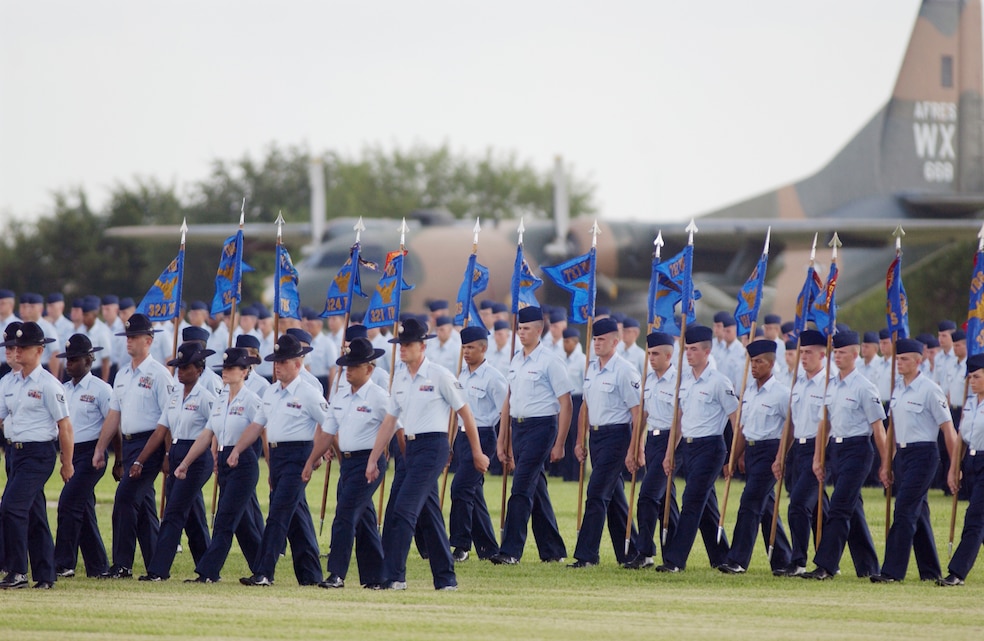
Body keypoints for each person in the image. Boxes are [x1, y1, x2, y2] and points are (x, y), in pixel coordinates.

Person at [365, 318, 490, 590]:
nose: (402, 349)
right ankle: (446, 579)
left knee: (403, 509)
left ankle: (393, 576)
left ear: (422, 346)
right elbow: (390, 420)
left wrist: (478, 452)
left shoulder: (440, 375)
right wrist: (374, 457)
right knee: (429, 516)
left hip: (434, 446)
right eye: (400, 345)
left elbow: (465, 413)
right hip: (409, 448)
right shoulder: (398, 378)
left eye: (407, 344)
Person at [228, 334, 325, 586]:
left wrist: (318, 454)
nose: (277, 366)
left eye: (282, 361)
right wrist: (238, 449)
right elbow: (257, 425)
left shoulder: (309, 392)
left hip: (299, 455)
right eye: (275, 361)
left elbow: (328, 424)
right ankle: (311, 575)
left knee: (278, 513)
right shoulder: (271, 392)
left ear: (297, 363)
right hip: (278, 456)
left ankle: (263, 572)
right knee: (295, 517)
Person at [870, 338, 958, 583]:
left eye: (905, 359)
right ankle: (930, 572)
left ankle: (891, 572)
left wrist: (954, 466)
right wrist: (887, 463)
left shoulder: (930, 389)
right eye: (898, 359)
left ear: (918, 361)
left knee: (905, 509)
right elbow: (893, 428)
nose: (899, 363)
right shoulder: (898, 389)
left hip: (925, 454)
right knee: (919, 513)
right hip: (903, 454)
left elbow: (948, 430)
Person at [302, 337, 387, 589]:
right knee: (364, 519)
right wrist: (311, 460)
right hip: (347, 463)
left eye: (354, 366)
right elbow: (328, 433)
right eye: (346, 366)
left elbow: (396, 428)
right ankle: (376, 576)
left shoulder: (380, 397)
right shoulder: (339, 396)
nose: (348, 370)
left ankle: (336, 573)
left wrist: (404, 456)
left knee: (345, 515)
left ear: (369, 369)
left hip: (369, 462)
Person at [92, 313, 172, 579]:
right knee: (145, 506)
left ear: (149, 340)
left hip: (151, 442)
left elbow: (168, 418)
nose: (129, 341)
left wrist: (167, 454)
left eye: (134, 337)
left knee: (125, 500)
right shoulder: (123, 374)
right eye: (127, 336)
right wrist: (101, 448)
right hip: (128, 443)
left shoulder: (159, 374)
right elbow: (114, 414)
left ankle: (122, 565)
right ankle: (156, 565)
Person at [175, 347, 264, 583]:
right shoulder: (221, 398)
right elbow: (207, 433)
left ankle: (208, 572)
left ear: (245, 371)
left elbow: (260, 430)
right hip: (225, 462)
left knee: (224, 519)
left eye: (232, 368)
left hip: (243, 463)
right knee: (243, 523)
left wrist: (239, 451)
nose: (226, 372)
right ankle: (263, 569)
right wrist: (186, 462)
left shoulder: (252, 400)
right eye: (224, 368)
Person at [803, 331, 887, 580]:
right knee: (852, 508)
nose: (837, 357)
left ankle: (826, 565)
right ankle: (868, 567)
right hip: (836, 451)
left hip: (858, 450)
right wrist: (818, 458)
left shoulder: (864, 387)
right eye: (835, 353)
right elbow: (824, 424)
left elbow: (878, 428)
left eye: (842, 353)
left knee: (839, 507)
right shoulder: (830, 385)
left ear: (855, 354)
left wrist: (886, 464)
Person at [491, 306, 572, 566]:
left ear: (538, 331)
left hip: (542, 427)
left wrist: (560, 442)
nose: (521, 333)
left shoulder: (550, 360)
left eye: (526, 329)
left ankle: (511, 551)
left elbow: (566, 403)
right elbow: (509, 399)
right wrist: (503, 438)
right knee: (536, 488)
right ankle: (553, 550)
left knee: (521, 487)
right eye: (519, 328)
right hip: (519, 427)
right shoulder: (516, 359)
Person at [132, 342, 217, 581]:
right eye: (178, 366)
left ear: (199, 368)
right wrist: (140, 460)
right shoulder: (174, 395)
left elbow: (215, 429)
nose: (180, 371)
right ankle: (207, 569)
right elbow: (161, 431)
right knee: (192, 516)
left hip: (197, 458)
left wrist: (216, 455)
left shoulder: (206, 398)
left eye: (185, 366)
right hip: (178, 452)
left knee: (173, 513)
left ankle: (158, 570)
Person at [0, 322, 73, 590]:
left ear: (39, 350)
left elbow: (65, 426)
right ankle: (46, 574)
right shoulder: (10, 383)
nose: (17, 351)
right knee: (35, 512)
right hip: (15, 453)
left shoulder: (49, 385)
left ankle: (17, 571)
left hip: (38, 454)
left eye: (24, 347)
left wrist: (67, 463)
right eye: (15, 347)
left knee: (11, 507)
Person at [657, 324, 735, 573]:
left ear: (707, 351)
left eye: (693, 349)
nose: (688, 353)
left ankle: (675, 560)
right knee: (706, 503)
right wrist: (670, 453)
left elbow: (735, 419)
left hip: (711, 447)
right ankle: (721, 556)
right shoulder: (684, 380)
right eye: (686, 349)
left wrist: (733, 456)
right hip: (688, 448)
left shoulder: (719, 381)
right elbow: (678, 421)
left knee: (691, 500)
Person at [568, 318, 640, 568]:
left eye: (602, 340)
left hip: (617, 436)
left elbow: (637, 412)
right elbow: (585, 407)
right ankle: (633, 553)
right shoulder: (592, 368)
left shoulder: (625, 370)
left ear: (615, 342)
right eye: (595, 340)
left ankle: (587, 555)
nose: (597, 344)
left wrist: (635, 448)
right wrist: (580, 440)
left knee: (596, 494)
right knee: (615, 498)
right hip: (596, 438)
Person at [718, 339, 792, 574]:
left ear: (771, 364)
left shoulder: (781, 394)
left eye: (759, 362)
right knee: (766, 506)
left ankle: (738, 559)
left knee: (749, 502)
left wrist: (780, 457)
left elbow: (790, 429)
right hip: (751, 450)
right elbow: (741, 427)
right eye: (752, 361)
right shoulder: (748, 392)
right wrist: (733, 457)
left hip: (771, 451)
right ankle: (782, 558)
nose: (754, 366)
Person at [53, 334, 113, 579]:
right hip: (72, 453)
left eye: (74, 359)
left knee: (68, 503)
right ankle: (98, 567)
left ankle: (63, 563)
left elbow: (113, 425)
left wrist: (117, 458)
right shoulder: (63, 389)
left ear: (89, 359)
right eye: (67, 359)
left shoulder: (101, 389)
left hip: (92, 454)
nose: (69, 364)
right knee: (83, 508)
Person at [624, 331, 680, 569]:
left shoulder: (678, 382)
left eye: (656, 354)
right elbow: (643, 416)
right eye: (648, 353)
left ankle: (645, 551)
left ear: (669, 355)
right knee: (668, 500)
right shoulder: (648, 381)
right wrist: (634, 446)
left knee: (647, 496)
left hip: (672, 439)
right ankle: (674, 553)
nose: (651, 358)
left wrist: (670, 452)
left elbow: (681, 420)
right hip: (652, 440)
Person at [450, 326, 506, 562]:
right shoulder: (460, 375)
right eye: (464, 346)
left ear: (483, 348)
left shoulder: (493, 378)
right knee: (474, 493)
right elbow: (455, 412)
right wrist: (450, 443)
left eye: (471, 347)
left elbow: (506, 412)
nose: (466, 351)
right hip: (462, 437)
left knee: (460, 488)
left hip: (483, 437)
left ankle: (461, 544)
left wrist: (505, 445)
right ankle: (488, 548)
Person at [941, 353, 984, 586]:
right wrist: (953, 468)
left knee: (974, 518)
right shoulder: (970, 403)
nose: (972, 381)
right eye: (970, 377)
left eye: (977, 376)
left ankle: (957, 572)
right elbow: (961, 438)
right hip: (972, 462)